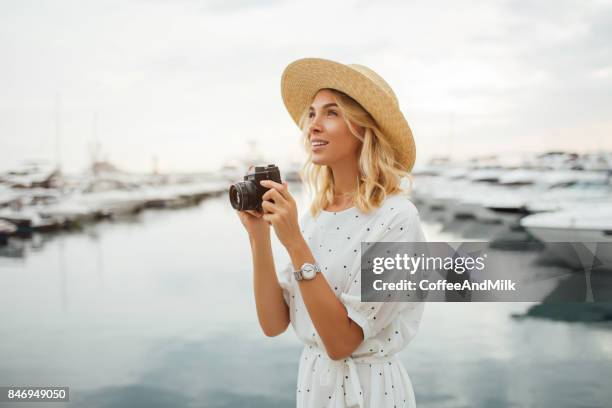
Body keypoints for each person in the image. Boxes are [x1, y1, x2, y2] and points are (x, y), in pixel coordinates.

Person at [237, 57, 426, 408]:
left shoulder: (398, 217)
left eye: (332, 113)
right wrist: (258, 236)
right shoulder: (313, 215)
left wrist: (293, 241)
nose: (313, 126)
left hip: (371, 391)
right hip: (314, 388)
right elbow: (273, 323)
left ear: (364, 128)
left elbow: (342, 342)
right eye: (311, 114)